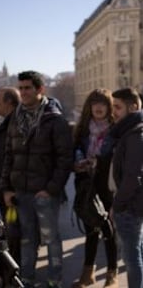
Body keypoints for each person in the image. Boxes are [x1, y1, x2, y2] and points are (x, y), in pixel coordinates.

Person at [0, 70, 73, 288]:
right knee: (27, 239)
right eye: (20, 88)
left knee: (51, 240)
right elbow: (9, 156)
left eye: (27, 88)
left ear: (41, 89)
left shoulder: (55, 120)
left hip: (45, 194)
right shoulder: (15, 118)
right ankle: (27, 279)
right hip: (21, 192)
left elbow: (64, 159)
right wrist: (6, 189)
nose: (23, 92)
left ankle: (54, 280)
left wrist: (51, 189)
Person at [71, 89, 118, 288]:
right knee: (91, 230)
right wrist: (79, 162)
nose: (98, 107)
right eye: (94, 103)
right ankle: (87, 274)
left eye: (103, 103)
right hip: (86, 184)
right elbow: (73, 151)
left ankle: (111, 275)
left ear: (109, 107)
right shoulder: (82, 129)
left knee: (109, 230)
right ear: (89, 107)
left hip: (107, 185)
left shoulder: (116, 130)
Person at [109, 87, 143, 288]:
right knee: (136, 252)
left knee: (131, 257)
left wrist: (118, 204)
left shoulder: (136, 134)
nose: (114, 111)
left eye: (118, 107)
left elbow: (133, 176)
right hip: (132, 204)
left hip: (130, 206)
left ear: (134, 107)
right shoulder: (131, 130)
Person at [0, 86, 21, 264]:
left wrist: (9, 189)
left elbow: (14, 160)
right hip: (5, 192)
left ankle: (16, 273)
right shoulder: (7, 124)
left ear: (8, 102)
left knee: (14, 233)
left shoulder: (14, 125)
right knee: (11, 231)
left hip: (11, 195)